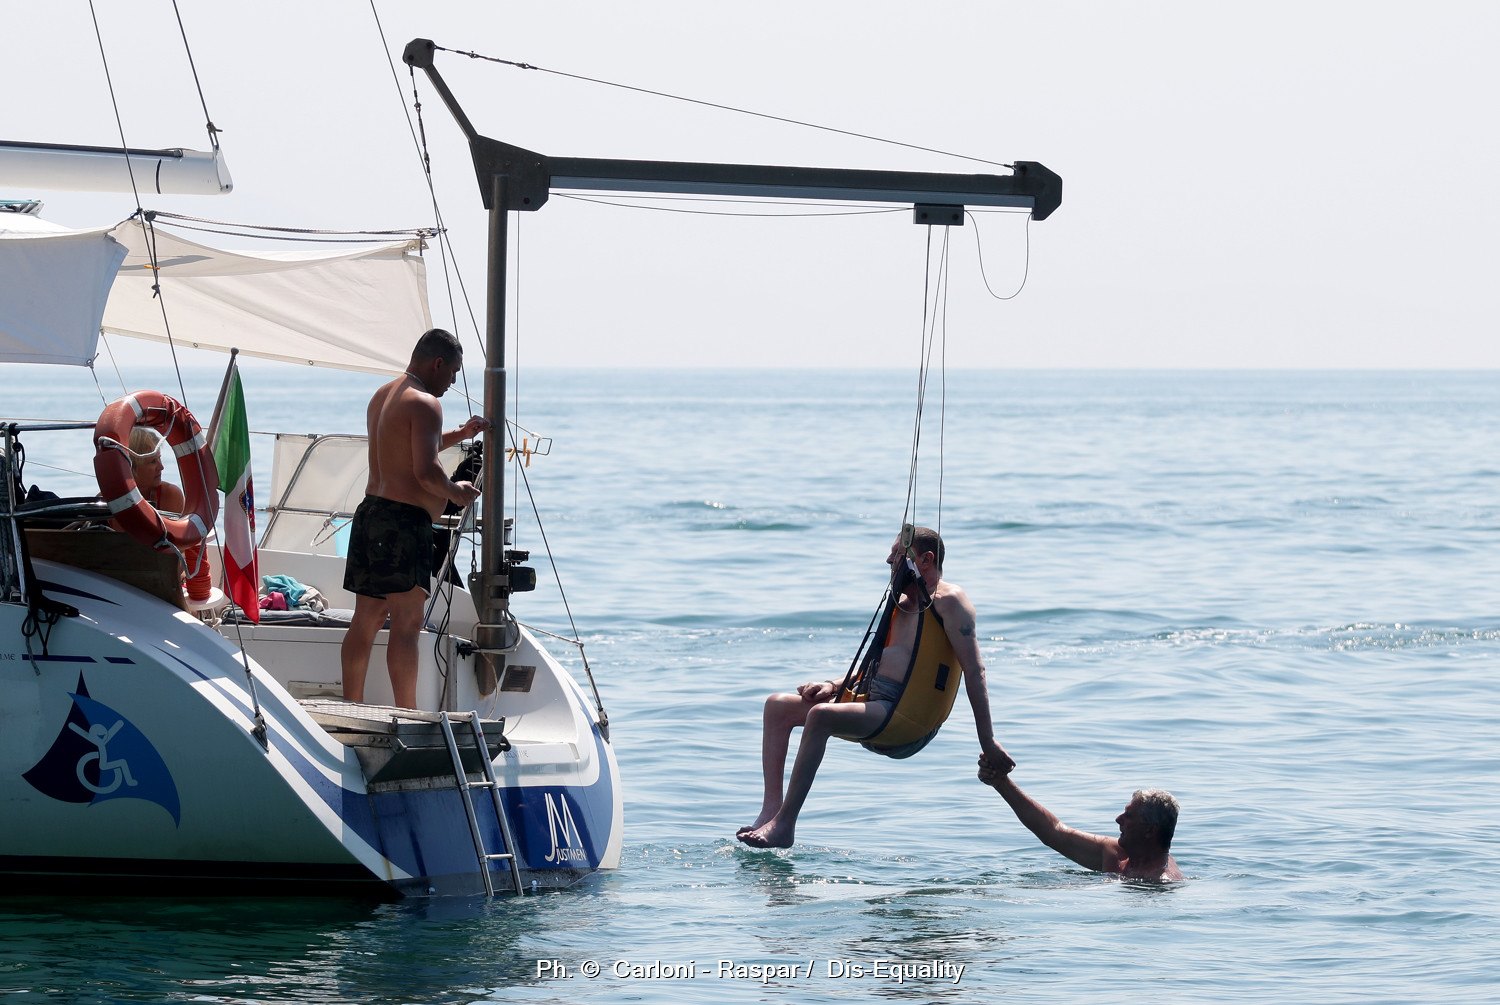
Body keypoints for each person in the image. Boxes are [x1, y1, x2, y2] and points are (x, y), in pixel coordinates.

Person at [736, 525, 1015, 849]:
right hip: (873, 701)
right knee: (777, 706)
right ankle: (770, 811)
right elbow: (878, 663)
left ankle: (785, 824)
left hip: (905, 718)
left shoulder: (949, 601)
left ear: (925, 560)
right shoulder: (901, 601)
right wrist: (832, 685)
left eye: (897, 554)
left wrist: (988, 741)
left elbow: (974, 669)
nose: (888, 560)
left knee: (821, 717)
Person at [339, 328, 491, 708]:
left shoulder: (384, 395)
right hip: (402, 525)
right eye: (453, 373)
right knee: (407, 626)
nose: (453, 382)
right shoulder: (425, 403)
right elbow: (425, 472)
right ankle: (407, 713)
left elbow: (408, 445)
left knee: (366, 620)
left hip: (370, 515)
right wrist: (457, 492)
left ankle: (351, 706)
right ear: (437, 363)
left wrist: (461, 433)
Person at [977, 757, 1183, 881]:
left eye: (1129, 816)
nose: (1118, 819)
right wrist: (1001, 782)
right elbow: (1054, 831)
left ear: (1150, 830)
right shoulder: (1116, 854)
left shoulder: (1160, 882)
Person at [127, 427, 185, 514]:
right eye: (153, 462)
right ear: (132, 466)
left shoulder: (170, 495)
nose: (161, 467)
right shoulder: (107, 499)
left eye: (159, 458)